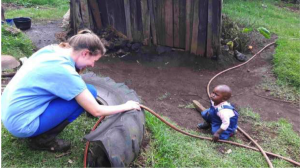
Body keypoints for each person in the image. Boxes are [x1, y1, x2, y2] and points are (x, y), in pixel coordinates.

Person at [1, 29, 141, 152]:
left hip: (8, 111)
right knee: (85, 97)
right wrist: (126, 106)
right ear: (85, 53)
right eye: (94, 60)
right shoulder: (66, 72)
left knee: (88, 91)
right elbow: (96, 111)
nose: (92, 65)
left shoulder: (52, 49)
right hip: (21, 124)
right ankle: (43, 139)